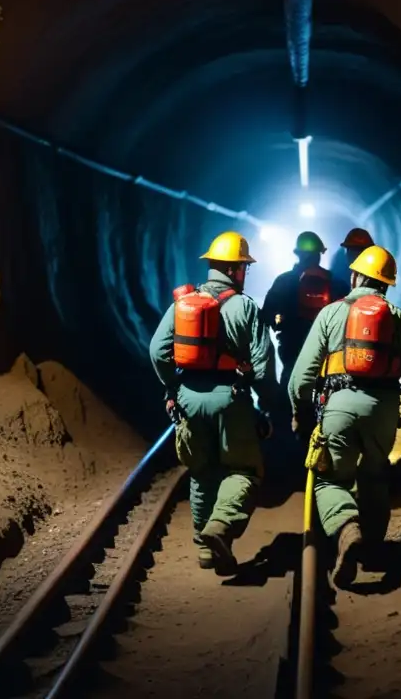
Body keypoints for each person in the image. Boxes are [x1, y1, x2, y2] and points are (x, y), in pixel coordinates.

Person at [287, 245, 401, 589]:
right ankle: (373, 551)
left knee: (330, 480)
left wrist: (299, 412)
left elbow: (300, 378)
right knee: (375, 477)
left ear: (355, 276)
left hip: (337, 408)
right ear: (387, 284)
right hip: (382, 412)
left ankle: (347, 529)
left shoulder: (330, 313)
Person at [149, 230, 279, 575]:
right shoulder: (245, 308)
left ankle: (205, 552)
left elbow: (157, 351)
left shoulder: (183, 304)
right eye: (243, 269)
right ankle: (220, 528)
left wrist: (174, 389)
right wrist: (268, 405)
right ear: (237, 270)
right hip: (230, 399)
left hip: (189, 399)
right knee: (244, 470)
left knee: (202, 472)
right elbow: (264, 365)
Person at [262, 231, 348, 388]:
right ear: (319, 255)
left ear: (298, 254)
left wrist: (280, 323)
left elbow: (267, 315)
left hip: (292, 350)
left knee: (288, 391)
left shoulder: (284, 281)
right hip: (326, 356)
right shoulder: (337, 283)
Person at [330, 228, 374, 292]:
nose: (355, 256)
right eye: (352, 251)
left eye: (358, 251)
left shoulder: (375, 283)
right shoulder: (339, 283)